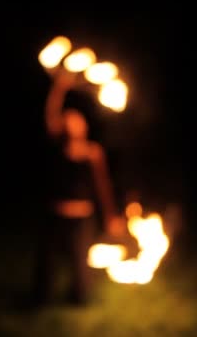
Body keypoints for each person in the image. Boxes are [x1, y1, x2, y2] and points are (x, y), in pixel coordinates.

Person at [32, 69, 125, 306]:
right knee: (46, 263)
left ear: (83, 127)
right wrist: (59, 87)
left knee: (80, 266)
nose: (72, 120)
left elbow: (103, 188)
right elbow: (50, 114)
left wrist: (111, 216)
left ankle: (79, 298)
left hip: (82, 219)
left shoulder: (92, 154)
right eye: (68, 118)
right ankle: (40, 300)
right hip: (54, 216)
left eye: (77, 119)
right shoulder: (57, 148)